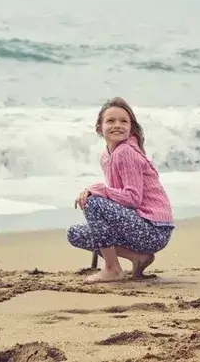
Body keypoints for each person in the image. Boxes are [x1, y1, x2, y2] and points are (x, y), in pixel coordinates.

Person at [67, 97, 175, 283]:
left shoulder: (125, 152)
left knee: (92, 201)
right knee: (75, 234)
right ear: (99, 128)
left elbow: (132, 199)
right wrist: (101, 193)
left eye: (124, 121)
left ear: (131, 128)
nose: (117, 125)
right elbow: (114, 203)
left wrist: (99, 190)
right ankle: (136, 257)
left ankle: (112, 269)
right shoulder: (107, 156)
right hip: (135, 227)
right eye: (110, 121)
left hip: (154, 230)